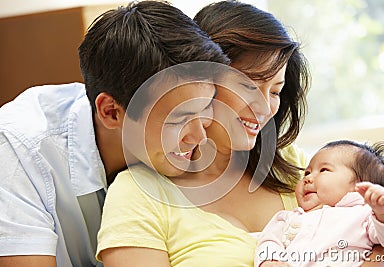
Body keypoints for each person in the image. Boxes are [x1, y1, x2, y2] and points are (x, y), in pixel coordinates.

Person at [0, 1, 230, 266]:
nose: (200, 137)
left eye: (205, 108)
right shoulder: (19, 149)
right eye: (179, 119)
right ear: (111, 112)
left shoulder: (190, 146)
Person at [96, 1, 311, 266]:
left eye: (276, 91)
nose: (265, 108)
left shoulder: (296, 167)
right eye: (247, 86)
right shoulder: (138, 194)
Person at [255, 140, 384, 267]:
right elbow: (268, 240)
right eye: (307, 173)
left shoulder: (363, 214)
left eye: (324, 170)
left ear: (360, 185)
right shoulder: (287, 218)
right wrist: (269, 260)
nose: (308, 178)